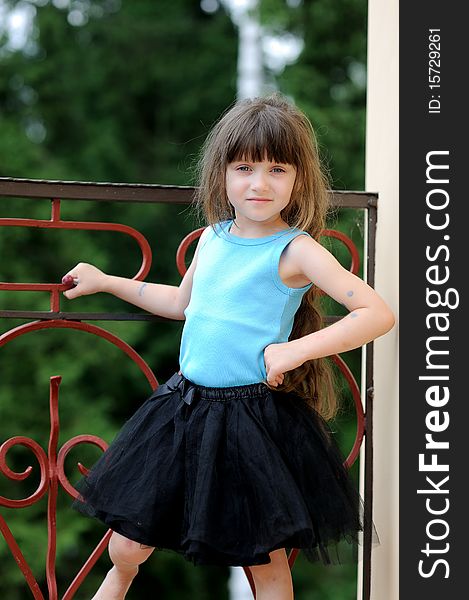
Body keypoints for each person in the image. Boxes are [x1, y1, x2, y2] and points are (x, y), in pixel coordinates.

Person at [63, 93, 395, 600]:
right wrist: (106, 279)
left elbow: (376, 313)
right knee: (127, 546)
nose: (259, 183)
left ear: (298, 180)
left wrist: (295, 351)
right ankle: (117, 583)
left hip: (252, 422)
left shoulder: (296, 249)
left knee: (263, 561)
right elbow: (179, 303)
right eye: (244, 167)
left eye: (276, 169)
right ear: (222, 175)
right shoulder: (213, 237)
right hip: (182, 408)